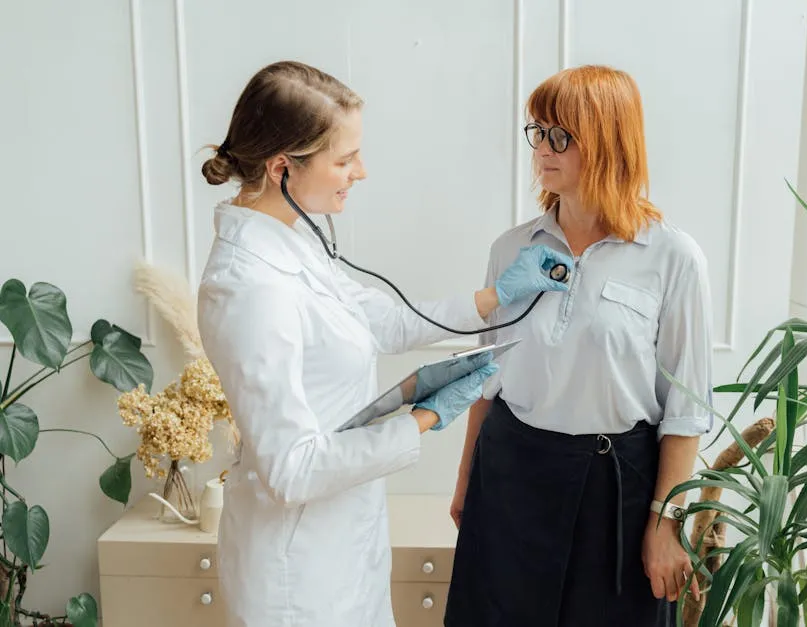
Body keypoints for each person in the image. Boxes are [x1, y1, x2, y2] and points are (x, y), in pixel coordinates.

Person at [195, 60, 572, 627]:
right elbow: (293, 469)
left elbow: (385, 322)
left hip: (340, 545)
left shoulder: (293, 244)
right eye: (344, 159)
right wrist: (420, 419)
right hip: (297, 574)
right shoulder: (247, 287)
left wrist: (495, 296)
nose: (361, 172)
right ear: (282, 169)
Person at [444, 64, 714, 627]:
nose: (542, 148)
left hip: (616, 493)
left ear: (609, 140)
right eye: (536, 132)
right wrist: (466, 481)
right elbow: (486, 378)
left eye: (559, 135)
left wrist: (667, 522)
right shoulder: (512, 247)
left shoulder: (672, 257)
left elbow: (685, 412)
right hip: (511, 477)